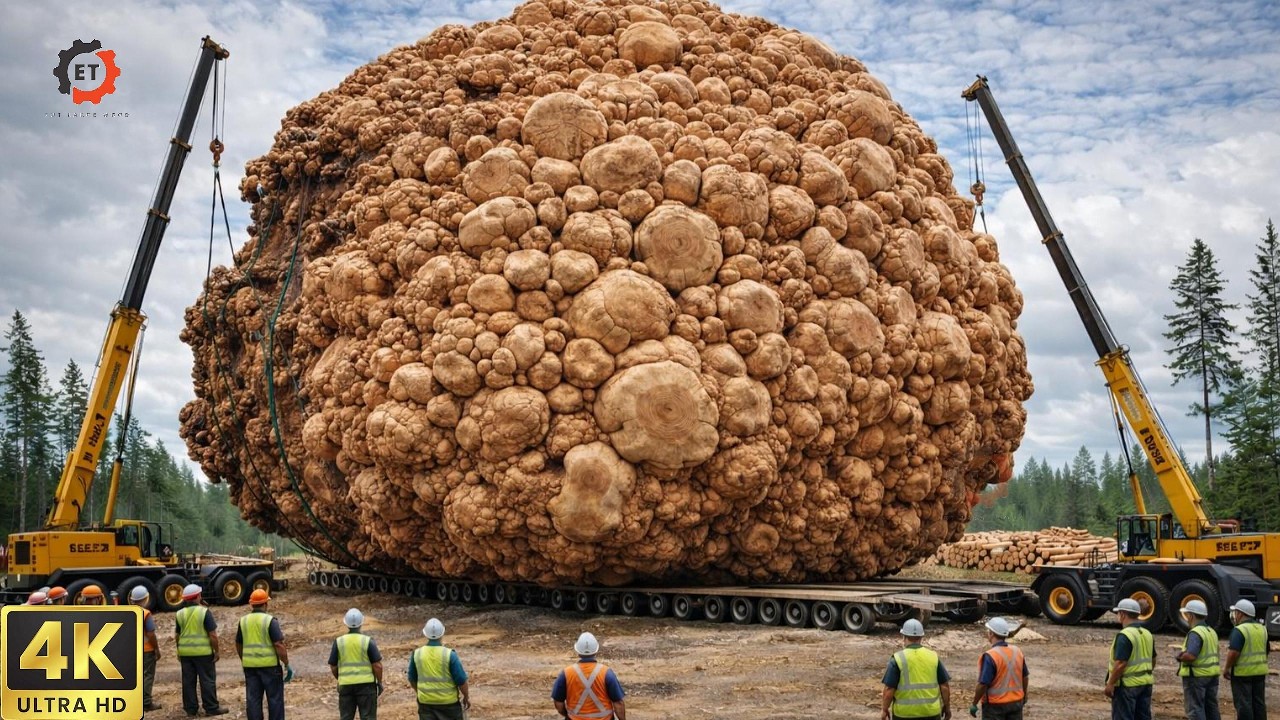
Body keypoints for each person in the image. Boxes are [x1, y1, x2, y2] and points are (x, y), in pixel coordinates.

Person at [176, 583, 229, 717]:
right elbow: (213, 634)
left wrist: (179, 650)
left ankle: (191, 709)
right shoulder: (204, 612)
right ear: (198, 596)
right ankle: (211, 708)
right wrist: (216, 651)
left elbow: (177, 635)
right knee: (207, 680)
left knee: (188, 682)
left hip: (185, 653)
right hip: (203, 653)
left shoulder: (180, 613)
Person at [882, 619, 951, 720]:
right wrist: (947, 707)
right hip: (931, 713)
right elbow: (944, 686)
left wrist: (884, 709)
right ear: (921, 637)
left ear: (904, 637)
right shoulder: (933, 657)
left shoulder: (898, 659)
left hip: (904, 714)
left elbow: (889, 689)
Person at [237, 588, 290, 720]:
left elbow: (238, 643)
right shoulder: (270, 621)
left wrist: (244, 658)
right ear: (265, 604)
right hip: (270, 667)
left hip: (250, 667)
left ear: (251, 604)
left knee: (253, 700)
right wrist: (286, 663)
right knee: (275, 700)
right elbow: (278, 644)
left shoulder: (243, 621)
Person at [552, 632, 626, 720]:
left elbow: (558, 703)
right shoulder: (606, 673)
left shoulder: (566, 673)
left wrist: (567, 715)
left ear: (578, 651)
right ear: (596, 651)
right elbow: (618, 703)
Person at [409, 618, 471, 720]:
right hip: (449, 705)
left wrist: (421, 693)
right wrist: (466, 697)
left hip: (426, 704)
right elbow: (461, 681)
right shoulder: (449, 655)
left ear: (425, 634)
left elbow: (412, 679)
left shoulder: (417, 654)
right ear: (442, 634)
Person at [329, 608, 384, 720]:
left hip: (346, 686)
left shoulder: (339, 642)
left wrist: (341, 678)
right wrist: (379, 682)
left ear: (346, 623)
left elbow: (333, 666)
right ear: (361, 623)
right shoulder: (368, 641)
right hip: (366, 686)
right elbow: (377, 665)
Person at [1105, 598, 1155, 720]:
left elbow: (1121, 663)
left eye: (1118, 613)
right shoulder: (1147, 633)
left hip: (1126, 686)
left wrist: (1110, 683)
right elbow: (1153, 659)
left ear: (1122, 614)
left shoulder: (1125, 635)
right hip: (1145, 684)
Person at [969, 617, 1027, 719]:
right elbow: (1025, 677)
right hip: (1016, 703)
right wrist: (1024, 695)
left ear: (991, 634)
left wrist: (974, 703)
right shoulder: (1017, 651)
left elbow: (983, 684)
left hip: (995, 707)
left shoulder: (991, 656)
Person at [1175, 599, 1221, 720]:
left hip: (1197, 676)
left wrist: (1180, 657)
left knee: (1195, 709)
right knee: (1211, 708)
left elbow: (1191, 656)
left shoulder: (1195, 633)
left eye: (1187, 615)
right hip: (1212, 675)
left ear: (1191, 615)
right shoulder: (1211, 632)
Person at [1223, 599, 1267, 720]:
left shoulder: (1239, 630)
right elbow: (1266, 649)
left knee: (1244, 704)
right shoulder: (1262, 629)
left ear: (1240, 614)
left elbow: (1233, 653)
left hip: (1243, 674)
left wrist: (1226, 668)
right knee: (1259, 703)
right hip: (1260, 673)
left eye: (1236, 612)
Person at [130, 585, 163, 711]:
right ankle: (146, 702)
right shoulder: (145, 614)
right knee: (147, 675)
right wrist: (156, 649)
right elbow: (150, 634)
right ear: (146, 599)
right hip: (146, 650)